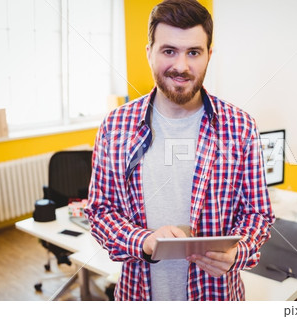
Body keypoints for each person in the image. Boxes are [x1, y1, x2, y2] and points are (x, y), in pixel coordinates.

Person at [85, 0, 274, 301]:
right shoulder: (115, 126)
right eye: (169, 50)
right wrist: (144, 241)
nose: (181, 66)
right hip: (139, 296)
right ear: (149, 52)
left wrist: (238, 252)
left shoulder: (240, 127)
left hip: (217, 298)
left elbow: (258, 214)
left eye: (194, 52)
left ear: (209, 55)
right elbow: (99, 212)